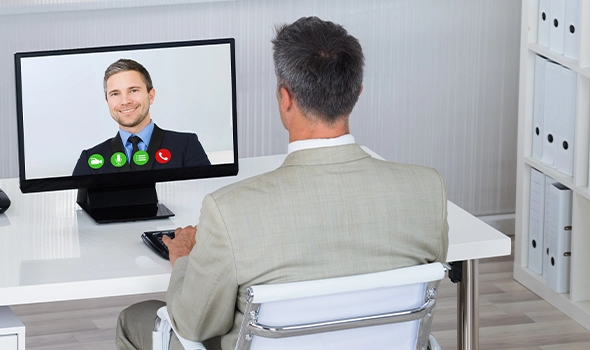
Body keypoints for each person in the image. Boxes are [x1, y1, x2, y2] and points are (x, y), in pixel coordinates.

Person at [115, 16, 448, 350]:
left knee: (135, 319)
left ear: (284, 98)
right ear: (356, 93)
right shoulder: (428, 189)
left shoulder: (229, 209)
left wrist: (185, 259)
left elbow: (194, 324)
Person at [72, 59, 211, 176]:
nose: (125, 101)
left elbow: (204, 200)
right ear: (107, 102)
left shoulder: (186, 146)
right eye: (115, 94)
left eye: (133, 90)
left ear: (151, 96)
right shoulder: (89, 160)